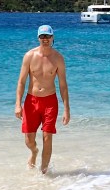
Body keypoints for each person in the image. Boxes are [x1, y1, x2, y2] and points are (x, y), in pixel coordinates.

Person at [15, 24, 70, 173]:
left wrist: (66, 109)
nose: (45, 39)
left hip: (50, 102)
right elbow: (21, 81)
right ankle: (34, 152)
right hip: (31, 101)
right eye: (42, 36)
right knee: (29, 140)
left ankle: (44, 172)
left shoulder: (58, 58)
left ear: (53, 38)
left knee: (47, 136)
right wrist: (18, 104)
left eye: (48, 36)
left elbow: (63, 85)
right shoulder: (29, 56)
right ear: (38, 38)